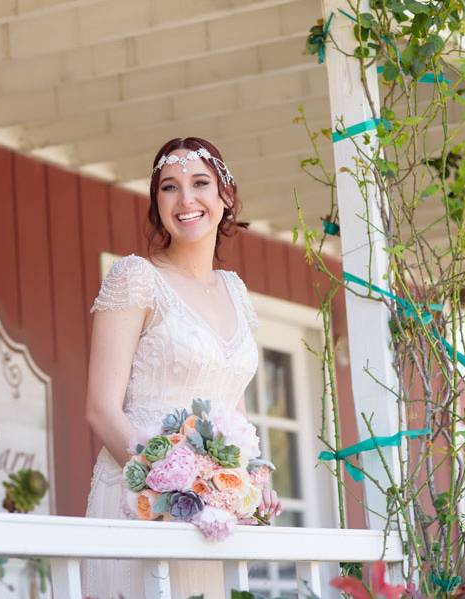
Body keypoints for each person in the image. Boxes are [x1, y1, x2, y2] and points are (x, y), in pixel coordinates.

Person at [83, 137, 283, 599]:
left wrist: (251, 480)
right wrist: (168, 487)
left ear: (225, 197)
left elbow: (234, 409)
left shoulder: (236, 290)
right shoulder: (135, 278)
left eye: (200, 184)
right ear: (157, 204)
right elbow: (100, 409)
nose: (186, 199)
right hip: (142, 500)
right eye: (170, 188)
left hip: (216, 512)